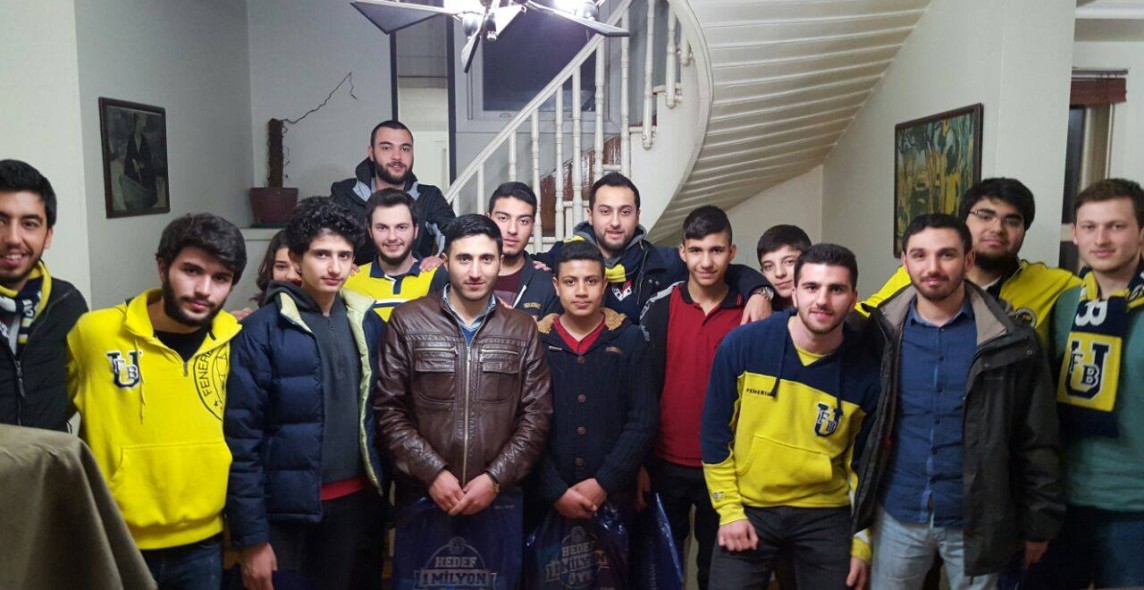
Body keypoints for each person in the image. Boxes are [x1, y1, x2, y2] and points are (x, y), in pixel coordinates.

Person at [854, 213, 1062, 589]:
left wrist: (1039, 522)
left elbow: (1037, 437)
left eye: (946, 254)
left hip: (977, 517)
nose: (932, 267)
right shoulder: (880, 333)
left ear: (968, 260)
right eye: (920, 255)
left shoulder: (1012, 341)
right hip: (898, 511)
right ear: (905, 261)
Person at [67, 213, 247, 589]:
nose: (204, 289)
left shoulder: (236, 341)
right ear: (163, 267)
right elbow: (41, 414)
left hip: (203, 543)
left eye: (220, 278)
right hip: (114, 538)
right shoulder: (96, 334)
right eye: (191, 271)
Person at [226, 199, 388, 590]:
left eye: (343, 256)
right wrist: (251, 537)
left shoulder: (367, 322)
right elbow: (242, 440)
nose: (334, 267)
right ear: (297, 260)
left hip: (354, 504)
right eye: (321, 254)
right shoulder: (262, 330)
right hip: (286, 512)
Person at [702, 243, 878, 590]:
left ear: (853, 298)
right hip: (750, 504)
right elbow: (714, 436)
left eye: (836, 289)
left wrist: (862, 542)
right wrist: (730, 511)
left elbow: (864, 466)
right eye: (811, 287)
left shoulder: (868, 373)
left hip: (824, 510)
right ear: (794, 293)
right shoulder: (744, 345)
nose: (822, 300)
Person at [376, 213, 552, 514]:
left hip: (499, 498)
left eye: (486, 259)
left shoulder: (522, 329)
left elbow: (537, 415)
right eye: (464, 259)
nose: (475, 272)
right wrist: (433, 472)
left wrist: (495, 478)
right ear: (446, 262)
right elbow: (388, 409)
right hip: (423, 495)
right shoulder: (408, 321)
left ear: (500, 262)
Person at [1024, 178, 1144, 589]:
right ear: (1075, 233)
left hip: (1134, 509)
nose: (1101, 239)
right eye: (1090, 227)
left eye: (1116, 226)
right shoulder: (1065, 305)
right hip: (1062, 501)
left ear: (1141, 233)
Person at [638, 205, 746, 590]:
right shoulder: (660, 308)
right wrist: (641, 463)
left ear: (732, 253)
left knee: (716, 569)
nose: (706, 261)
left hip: (727, 464)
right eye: (696, 250)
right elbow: (642, 392)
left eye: (716, 250)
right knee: (665, 566)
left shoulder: (749, 310)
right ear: (682, 253)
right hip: (666, 460)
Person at [530, 240, 656, 536]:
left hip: (614, 495)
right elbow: (523, 421)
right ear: (556, 286)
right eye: (570, 282)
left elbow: (643, 419)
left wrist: (604, 482)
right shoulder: (536, 341)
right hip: (545, 497)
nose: (581, 291)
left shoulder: (629, 339)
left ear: (604, 286)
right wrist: (554, 490)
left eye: (591, 281)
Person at [861, 178, 1080, 347]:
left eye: (1012, 221)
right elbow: (866, 315)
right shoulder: (926, 274)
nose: (997, 228)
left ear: (1024, 230)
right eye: (985, 216)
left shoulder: (1052, 284)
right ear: (963, 221)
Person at [537, 172, 773, 324]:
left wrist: (760, 292)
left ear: (638, 215)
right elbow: (521, 267)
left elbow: (721, 269)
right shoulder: (562, 257)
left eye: (625, 212)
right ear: (590, 215)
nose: (615, 222)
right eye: (605, 211)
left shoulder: (664, 262)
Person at [0, 159, 87, 431]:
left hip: (48, 456)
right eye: (0, 221)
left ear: (47, 236)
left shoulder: (68, 304)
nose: (13, 238)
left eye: (29, 223)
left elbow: (76, 386)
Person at [430, 182, 560, 320]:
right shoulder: (450, 272)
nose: (512, 230)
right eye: (503, 218)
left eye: (523, 221)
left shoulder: (545, 283)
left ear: (533, 226)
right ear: (489, 219)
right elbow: (428, 323)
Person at [331, 120, 455, 264]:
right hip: (354, 277)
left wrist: (443, 259)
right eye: (386, 148)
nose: (397, 156)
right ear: (371, 153)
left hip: (416, 277)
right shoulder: (344, 194)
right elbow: (322, 237)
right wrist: (341, 262)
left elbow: (454, 233)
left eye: (405, 149)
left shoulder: (429, 196)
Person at [344, 188, 439, 321]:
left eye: (401, 227)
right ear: (370, 231)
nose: (392, 237)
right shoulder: (349, 280)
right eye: (382, 228)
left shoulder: (438, 277)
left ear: (416, 230)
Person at [756, 224, 812, 310]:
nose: (779, 273)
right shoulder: (761, 308)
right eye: (768, 266)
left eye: (789, 262)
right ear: (762, 273)